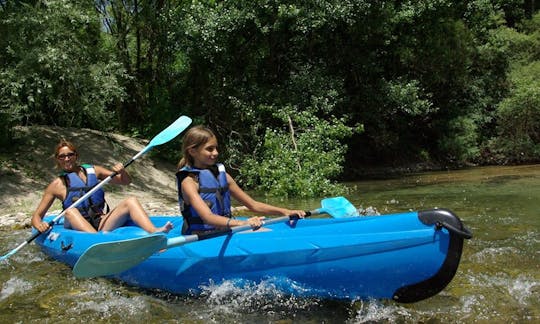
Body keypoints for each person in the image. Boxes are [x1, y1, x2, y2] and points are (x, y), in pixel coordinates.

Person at [176, 125, 306, 235]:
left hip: (225, 230)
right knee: (264, 234)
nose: (215, 153)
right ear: (192, 151)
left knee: (267, 231)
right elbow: (207, 217)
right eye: (209, 149)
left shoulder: (222, 176)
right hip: (200, 237)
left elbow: (253, 205)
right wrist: (242, 223)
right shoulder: (189, 182)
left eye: (216, 148)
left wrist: (285, 211)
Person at [31, 140, 173, 234]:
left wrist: (122, 171)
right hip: (76, 226)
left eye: (70, 155)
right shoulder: (56, 185)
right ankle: (96, 241)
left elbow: (125, 181)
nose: (67, 159)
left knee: (131, 200)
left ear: (76, 156)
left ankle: (154, 232)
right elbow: (36, 217)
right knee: (70, 211)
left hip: (100, 222)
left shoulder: (94, 170)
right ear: (58, 159)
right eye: (62, 156)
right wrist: (40, 225)